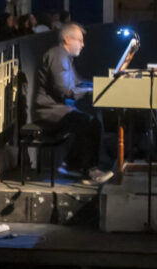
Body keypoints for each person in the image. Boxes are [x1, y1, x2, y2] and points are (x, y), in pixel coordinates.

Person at [33, 24, 113, 185]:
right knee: (90, 123)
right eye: (80, 40)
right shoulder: (58, 56)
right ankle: (81, 168)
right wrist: (92, 91)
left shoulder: (64, 57)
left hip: (58, 109)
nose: (83, 45)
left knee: (91, 122)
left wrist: (97, 86)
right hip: (49, 111)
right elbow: (64, 90)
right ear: (67, 39)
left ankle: (73, 165)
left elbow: (77, 82)